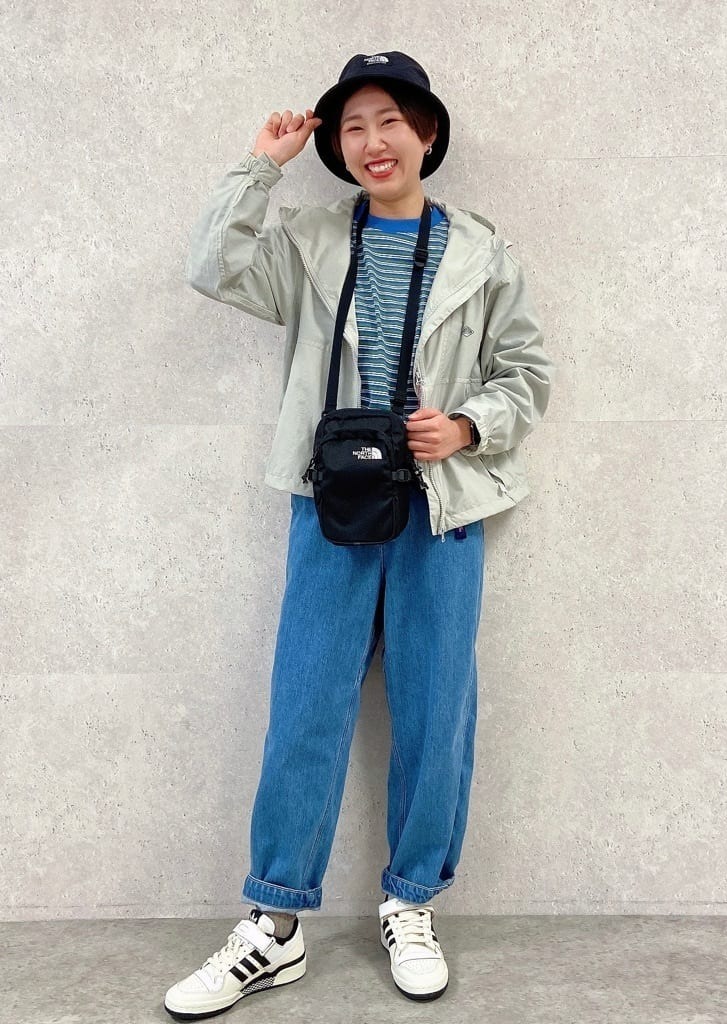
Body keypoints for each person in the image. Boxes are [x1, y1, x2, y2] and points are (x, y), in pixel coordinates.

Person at [164, 50, 555, 1020]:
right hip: (330, 503)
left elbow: (527, 373)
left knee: (435, 714)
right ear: (336, 148)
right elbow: (212, 265)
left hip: (440, 508)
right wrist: (261, 164)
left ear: (426, 134)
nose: (372, 142)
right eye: (352, 127)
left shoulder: (482, 252)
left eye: (389, 121)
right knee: (306, 707)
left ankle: (411, 902)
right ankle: (275, 923)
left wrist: (467, 426)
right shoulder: (308, 242)